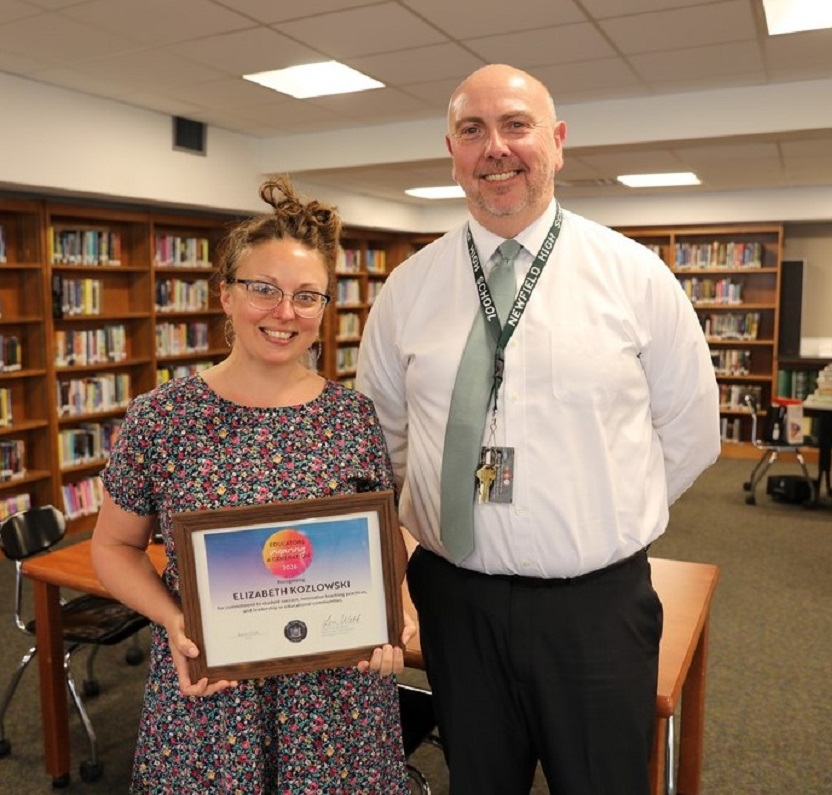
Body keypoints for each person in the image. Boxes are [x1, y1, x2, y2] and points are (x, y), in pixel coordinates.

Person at [356, 64, 720, 795]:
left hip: (595, 608)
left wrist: (599, 509)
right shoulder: (408, 289)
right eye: (473, 130)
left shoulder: (635, 276)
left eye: (516, 125)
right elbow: (383, 440)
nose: (496, 147)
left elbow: (689, 432)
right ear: (452, 152)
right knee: (480, 780)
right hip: (455, 603)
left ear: (556, 143)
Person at [92, 176, 413, 794]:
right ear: (226, 296)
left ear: (324, 308)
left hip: (336, 699)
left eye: (306, 296)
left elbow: (382, 533)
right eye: (263, 289)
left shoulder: (352, 417)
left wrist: (397, 607)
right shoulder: (162, 418)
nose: (284, 313)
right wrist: (175, 620)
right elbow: (114, 548)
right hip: (215, 692)